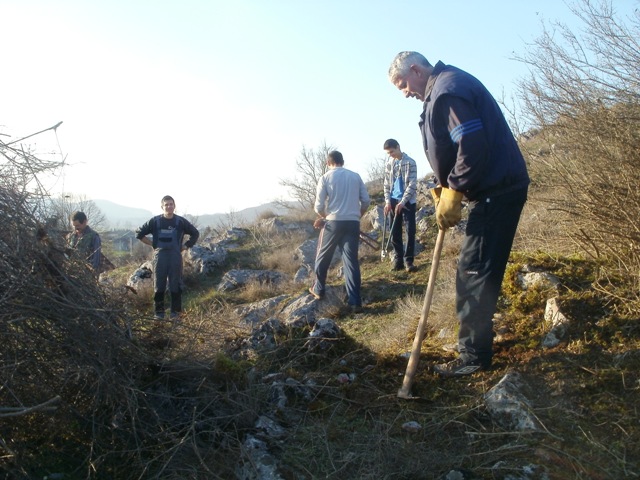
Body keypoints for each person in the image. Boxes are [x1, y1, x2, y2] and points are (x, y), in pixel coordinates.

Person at [388, 51, 530, 377]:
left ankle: (473, 358)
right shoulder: (439, 91)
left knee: (473, 274)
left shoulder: (448, 89)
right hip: (493, 191)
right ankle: (475, 348)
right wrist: (444, 186)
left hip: (497, 191)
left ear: (415, 69)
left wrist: (456, 188)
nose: (405, 92)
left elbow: (471, 142)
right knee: (474, 271)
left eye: (402, 84)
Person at [309, 151, 370, 313]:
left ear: (328, 163)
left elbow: (318, 207)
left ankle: (319, 289)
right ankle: (355, 301)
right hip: (352, 223)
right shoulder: (355, 176)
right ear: (342, 161)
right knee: (351, 261)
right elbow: (366, 201)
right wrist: (357, 215)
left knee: (323, 255)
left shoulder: (325, 178)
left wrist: (325, 216)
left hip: (333, 222)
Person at [136, 195, 199, 319]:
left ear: (174, 206)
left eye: (171, 204)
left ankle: (176, 314)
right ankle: (159, 314)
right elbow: (139, 233)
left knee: (176, 285)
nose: (169, 207)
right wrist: (152, 244)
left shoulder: (180, 222)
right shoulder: (155, 221)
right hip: (160, 258)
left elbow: (195, 233)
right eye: (166, 205)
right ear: (162, 207)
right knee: (159, 286)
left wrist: (186, 246)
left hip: (175, 257)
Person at [382, 138, 418, 272]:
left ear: (398, 147)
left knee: (410, 231)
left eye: (392, 151)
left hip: (408, 201)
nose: (390, 154)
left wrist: (402, 202)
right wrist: (387, 202)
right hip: (392, 200)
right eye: (388, 153)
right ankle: (398, 261)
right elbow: (386, 184)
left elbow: (412, 184)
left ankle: (409, 261)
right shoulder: (389, 164)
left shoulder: (410, 162)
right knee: (394, 230)